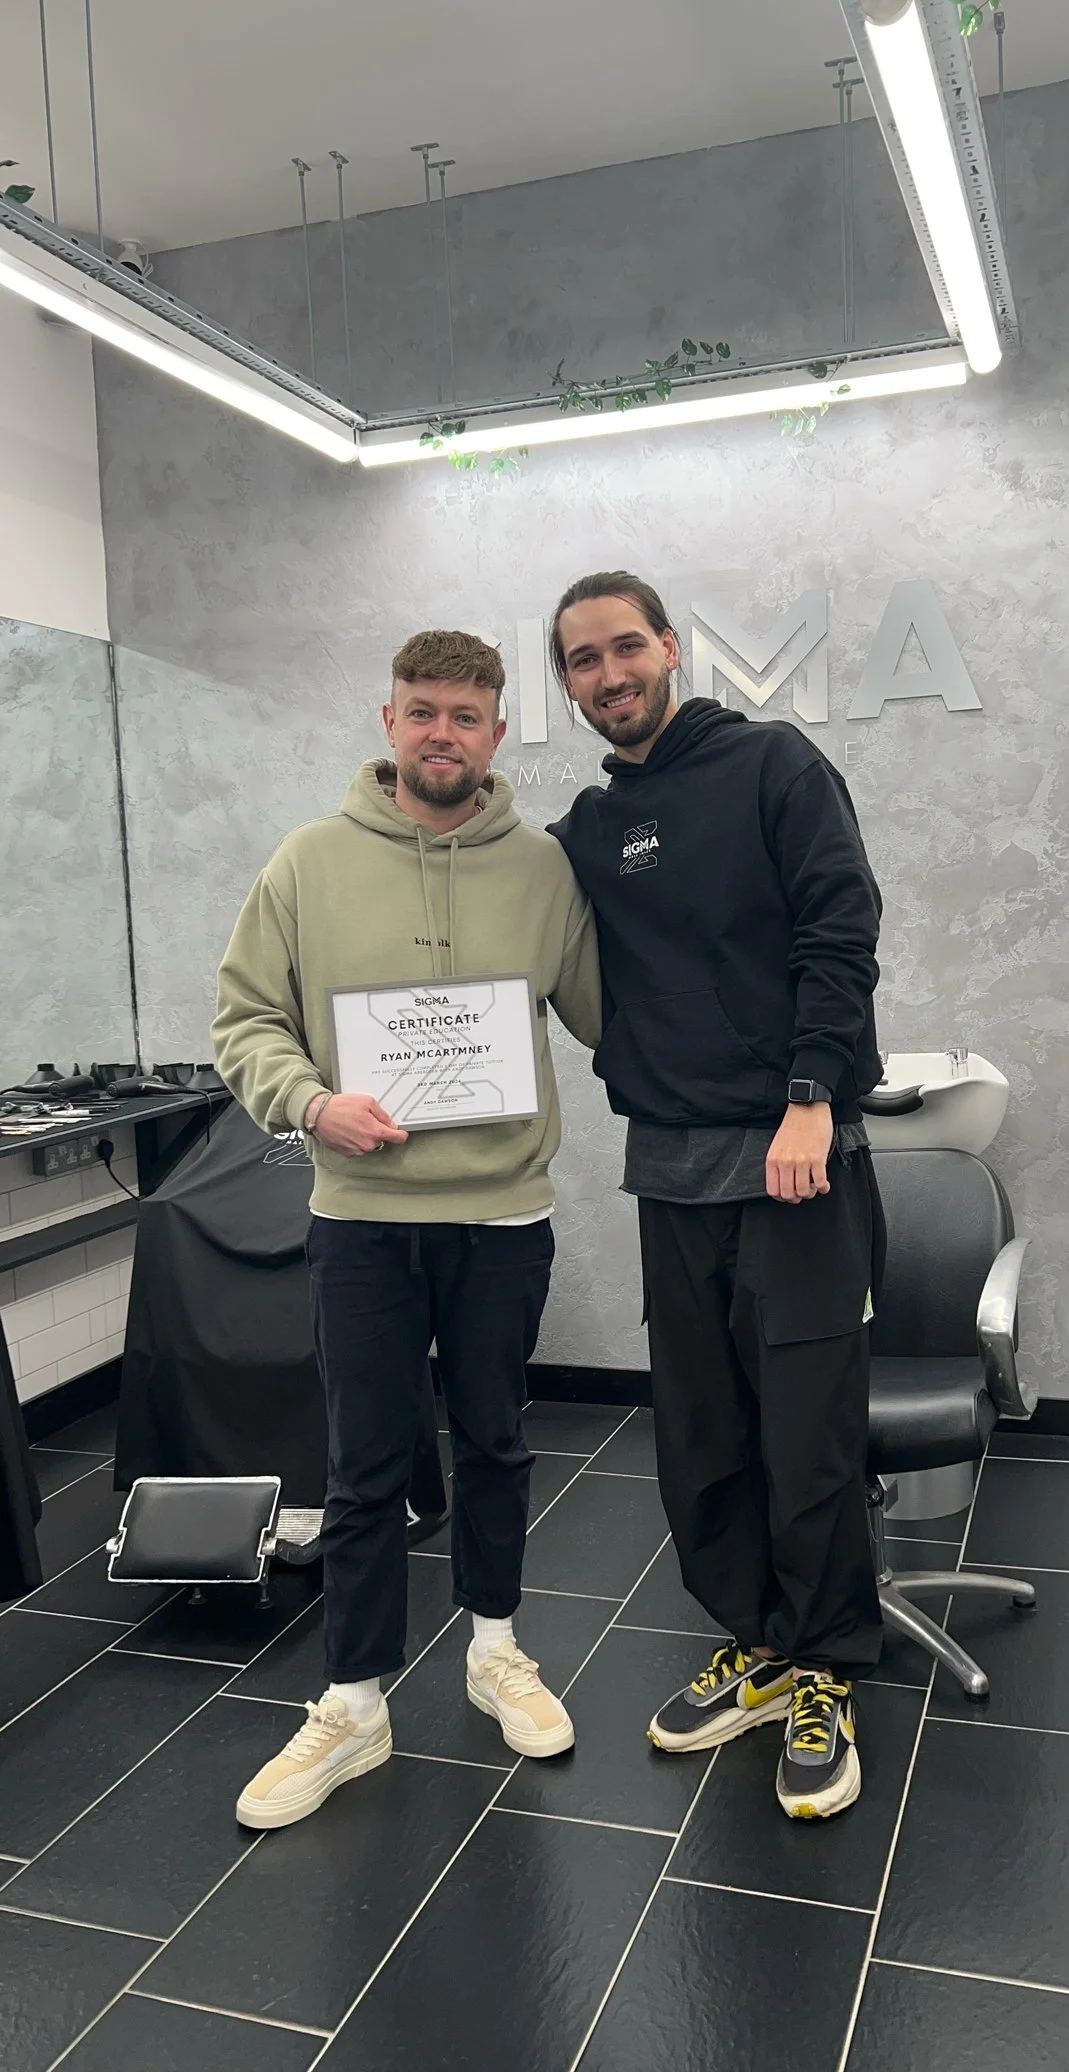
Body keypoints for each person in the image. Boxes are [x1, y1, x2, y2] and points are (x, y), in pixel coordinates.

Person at [212, 628, 601, 1829]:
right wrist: (313, 1100)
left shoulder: (542, 869)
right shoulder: (307, 861)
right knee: (368, 1462)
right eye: (421, 710)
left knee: (494, 1437)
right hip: (364, 1217)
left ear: (497, 732)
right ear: (389, 723)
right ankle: (353, 1700)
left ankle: (495, 1646)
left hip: (501, 1213)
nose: (443, 731)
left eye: (467, 715)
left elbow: (607, 1013)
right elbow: (244, 1022)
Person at [548, 572, 886, 1822]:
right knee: (702, 1438)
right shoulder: (591, 825)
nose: (609, 672)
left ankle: (829, 1669)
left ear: (670, 649)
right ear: (570, 683)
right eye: (582, 659)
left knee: (808, 1435)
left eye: (625, 645)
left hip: (794, 1156)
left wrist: (811, 1093)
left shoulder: (773, 767)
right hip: (672, 1166)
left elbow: (840, 929)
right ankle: (754, 1636)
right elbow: (490, 895)